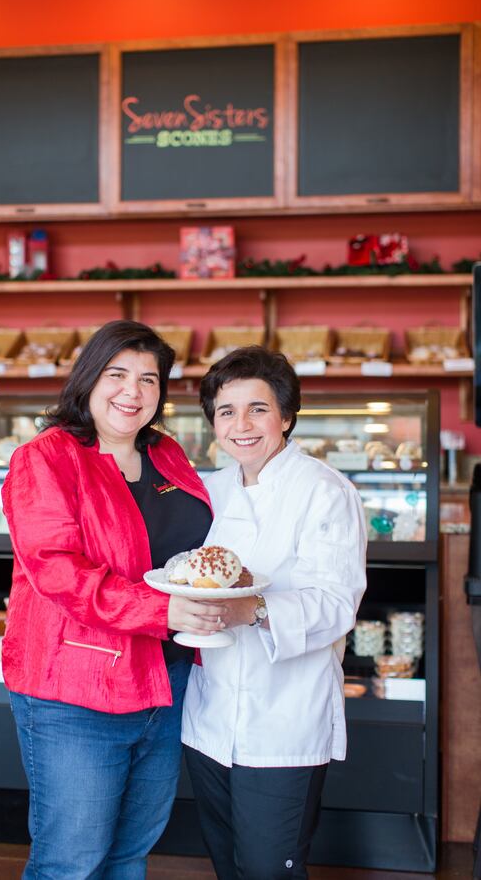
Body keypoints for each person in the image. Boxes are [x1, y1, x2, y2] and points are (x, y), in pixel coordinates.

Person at [1, 320, 227, 879]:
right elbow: (56, 570)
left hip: (167, 680)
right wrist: (163, 610)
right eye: (117, 374)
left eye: (149, 379)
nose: (133, 392)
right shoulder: (46, 458)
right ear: (88, 379)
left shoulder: (167, 453)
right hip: (76, 690)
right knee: (71, 862)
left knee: (129, 854)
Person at [181, 346, 368, 880]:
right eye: (226, 411)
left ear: (286, 416)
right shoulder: (209, 491)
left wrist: (252, 609)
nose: (241, 425)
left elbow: (336, 602)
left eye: (257, 409)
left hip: (284, 719)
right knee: (228, 865)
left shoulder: (325, 491)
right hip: (210, 718)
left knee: (269, 870)